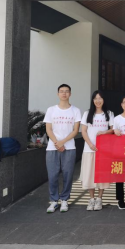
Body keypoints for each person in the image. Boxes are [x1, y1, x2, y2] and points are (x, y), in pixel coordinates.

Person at [44, 84, 82, 213]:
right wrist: (57, 143)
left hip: (69, 147)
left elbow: (75, 130)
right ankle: (54, 201)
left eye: (66, 91)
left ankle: (65, 199)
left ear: (70, 94)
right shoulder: (51, 110)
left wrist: (62, 142)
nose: (64, 93)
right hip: (52, 148)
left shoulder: (75, 110)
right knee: (52, 175)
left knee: (68, 174)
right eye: (61, 91)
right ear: (58, 94)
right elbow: (48, 129)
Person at [80, 90, 114, 211]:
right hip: (89, 149)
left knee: (102, 175)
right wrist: (90, 144)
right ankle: (91, 199)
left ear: (103, 100)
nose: (98, 101)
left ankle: (99, 198)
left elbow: (112, 129)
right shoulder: (87, 113)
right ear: (92, 100)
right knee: (90, 174)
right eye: (95, 98)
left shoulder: (109, 113)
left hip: (103, 150)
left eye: (100, 98)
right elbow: (83, 131)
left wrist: (104, 132)